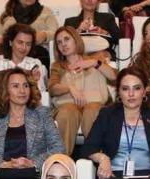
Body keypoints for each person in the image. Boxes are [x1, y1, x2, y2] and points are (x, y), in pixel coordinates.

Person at [48, 26, 116, 155]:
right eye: (59, 42)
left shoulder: (94, 60)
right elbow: (52, 88)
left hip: (94, 105)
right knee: (67, 111)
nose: (63, 45)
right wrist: (70, 88)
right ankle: (61, 159)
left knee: (92, 109)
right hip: (69, 106)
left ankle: (98, 156)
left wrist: (94, 63)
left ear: (76, 40)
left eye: (67, 39)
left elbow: (115, 77)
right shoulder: (58, 66)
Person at [0, 24, 47, 99]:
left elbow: (40, 94)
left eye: (28, 44)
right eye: (20, 42)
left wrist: (34, 82)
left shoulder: (35, 63)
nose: (24, 48)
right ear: (10, 42)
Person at [0, 0, 59, 69]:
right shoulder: (8, 13)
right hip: (10, 51)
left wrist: (44, 35)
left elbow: (56, 32)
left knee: (41, 53)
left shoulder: (45, 12)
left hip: (35, 50)